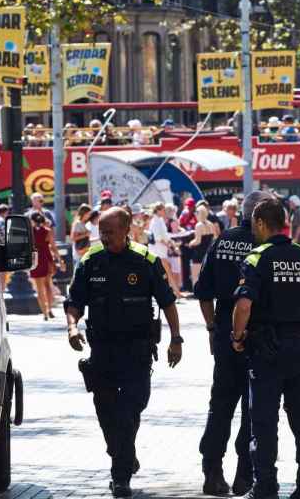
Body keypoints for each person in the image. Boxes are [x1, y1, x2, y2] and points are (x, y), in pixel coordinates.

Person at [65, 207, 183, 498]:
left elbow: (168, 302)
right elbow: (75, 301)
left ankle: (122, 467)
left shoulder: (146, 261)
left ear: (126, 230)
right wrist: (71, 327)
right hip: (102, 351)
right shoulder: (90, 261)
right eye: (101, 232)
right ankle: (122, 462)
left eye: (110, 232)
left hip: (137, 351)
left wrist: (176, 339)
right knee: (107, 412)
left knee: (131, 409)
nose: (104, 238)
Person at [231, 198, 300, 499]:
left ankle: (265, 487)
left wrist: (236, 336)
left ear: (260, 223)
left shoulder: (257, 258)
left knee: (264, 421)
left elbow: (244, 305)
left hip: (265, 351)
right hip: (298, 347)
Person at [194, 191, 274, 496]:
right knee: (253, 405)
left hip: (225, 328)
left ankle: (212, 471)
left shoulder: (222, 240)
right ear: (261, 218)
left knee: (221, 403)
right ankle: (245, 473)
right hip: (256, 332)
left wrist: (213, 328)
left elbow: (202, 292)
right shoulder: (264, 246)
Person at [30, 212, 64, 321]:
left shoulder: (30, 232)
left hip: (35, 259)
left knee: (39, 288)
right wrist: (60, 260)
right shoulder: (47, 231)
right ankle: (49, 309)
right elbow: (53, 247)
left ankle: (44, 312)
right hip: (46, 258)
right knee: (48, 285)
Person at [189, 206, 217, 287]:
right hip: (208, 252)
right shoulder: (211, 224)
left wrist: (190, 243)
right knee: (207, 273)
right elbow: (215, 238)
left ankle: (196, 291)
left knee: (196, 274)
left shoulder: (198, 225)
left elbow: (198, 241)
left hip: (198, 252)